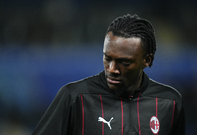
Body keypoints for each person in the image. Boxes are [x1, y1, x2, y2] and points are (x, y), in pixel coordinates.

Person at [32, 14, 185, 135]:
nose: (112, 69)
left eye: (124, 62)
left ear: (147, 60)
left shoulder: (169, 102)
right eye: (107, 58)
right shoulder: (75, 98)